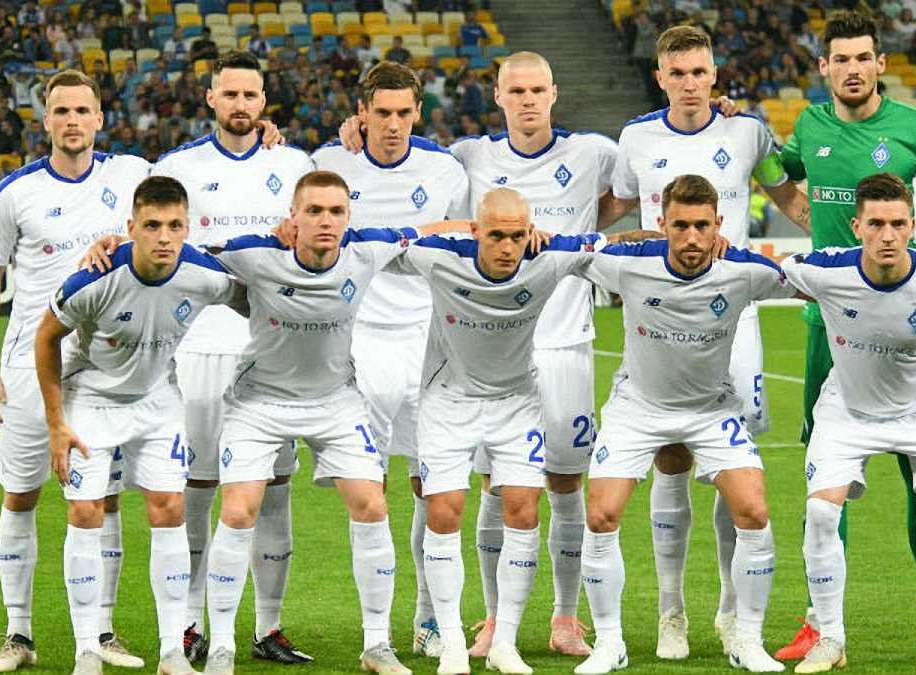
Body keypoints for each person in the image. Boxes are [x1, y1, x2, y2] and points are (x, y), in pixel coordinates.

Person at [598, 24, 810, 660]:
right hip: (660, 312)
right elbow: (610, 210)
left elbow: (790, 198)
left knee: (732, 470)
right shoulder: (635, 138)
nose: (690, 84)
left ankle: (730, 610)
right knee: (669, 454)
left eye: (699, 72)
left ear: (715, 75)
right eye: (678, 73)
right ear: (660, 78)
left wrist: (851, 240)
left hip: (732, 317)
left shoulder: (748, 133)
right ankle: (672, 611)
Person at [197, 170, 462, 675]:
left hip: (336, 401)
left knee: (372, 504)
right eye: (314, 211)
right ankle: (223, 647)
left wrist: (494, 226)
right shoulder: (254, 252)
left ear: (348, 217)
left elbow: (432, 231)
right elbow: (180, 253)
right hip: (259, 402)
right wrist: (116, 245)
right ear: (292, 217)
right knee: (238, 510)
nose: (325, 220)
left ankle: (376, 645)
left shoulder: (366, 249)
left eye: (336, 211)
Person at [774, 10, 916, 662]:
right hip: (827, 327)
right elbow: (773, 172)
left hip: (909, 326)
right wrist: (803, 214)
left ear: (880, 63)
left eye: (864, 57)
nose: (853, 68)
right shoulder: (809, 125)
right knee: (826, 478)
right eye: (841, 58)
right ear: (824, 66)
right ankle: (820, 623)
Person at [388, 188, 649, 675]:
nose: (507, 248)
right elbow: (377, 243)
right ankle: (451, 644)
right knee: (444, 511)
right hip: (449, 401)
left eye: (516, 236)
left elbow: (620, 243)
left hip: (516, 404)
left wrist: (684, 238)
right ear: (475, 231)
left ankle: (505, 644)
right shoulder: (440, 257)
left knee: (525, 512)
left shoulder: (549, 257)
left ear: (530, 232)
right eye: (495, 236)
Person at [575, 175, 796, 675]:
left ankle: (747, 638)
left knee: (753, 509)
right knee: (602, 514)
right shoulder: (629, 264)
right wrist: (627, 237)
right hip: (638, 408)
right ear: (662, 225)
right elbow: (564, 251)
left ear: (718, 224)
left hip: (712, 410)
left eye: (701, 226)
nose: (692, 237)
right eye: (680, 226)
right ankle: (611, 643)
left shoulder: (744, 271)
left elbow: (818, 285)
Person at [779, 173, 916, 674]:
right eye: (876, 224)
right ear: (857, 227)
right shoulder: (824, 270)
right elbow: (763, 275)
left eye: (898, 223)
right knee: (822, 513)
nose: (888, 235)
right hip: (847, 410)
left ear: (913, 226)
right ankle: (830, 639)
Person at [0, 69, 152, 673]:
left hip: (103, 366)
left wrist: (267, 138)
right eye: (61, 111)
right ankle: (18, 635)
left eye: (82, 110)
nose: (72, 120)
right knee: (20, 494)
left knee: (103, 499)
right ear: (46, 119)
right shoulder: (15, 193)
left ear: (100, 118)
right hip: (29, 362)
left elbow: (192, 187)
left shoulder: (132, 175)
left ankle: (101, 631)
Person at [34, 176, 244, 675]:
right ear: (131, 228)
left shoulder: (205, 275)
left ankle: (172, 650)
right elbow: (45, 339)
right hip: (92, 398)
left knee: (169, 509)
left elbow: (255, 285)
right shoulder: (94, 279)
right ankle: (87, 650)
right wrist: (56, 423)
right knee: (85, 512)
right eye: (152, 226)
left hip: (157, 400)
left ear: (188, 228)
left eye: (174, 226)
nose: (164, 237)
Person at [148, 50, 315, 666]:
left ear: (263, 102)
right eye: (231, 94)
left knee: (274, 489)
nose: (241, 105)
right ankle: (190, 624)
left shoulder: (294, 165)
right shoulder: (177, 168)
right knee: (197, 488)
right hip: (198, 346)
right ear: (211, 98)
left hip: (273, 350)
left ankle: (269, 625)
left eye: (251, 95)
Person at [312, 61, 470, 660]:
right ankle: (374, 633)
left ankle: (428, 618)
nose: (394, 124)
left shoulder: (444, 168)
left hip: (429, 339)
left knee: (433, 483)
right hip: (358, 341)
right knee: (369, 489)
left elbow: (467, 234)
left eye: (405, 112)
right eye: (382, 113)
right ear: (362, 113)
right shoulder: (331, 164)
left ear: (419, 113)